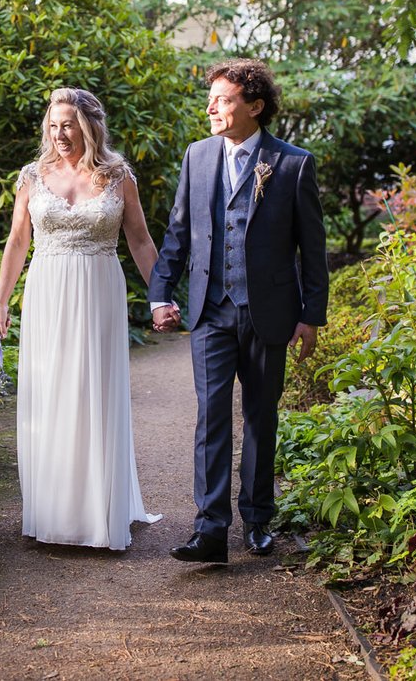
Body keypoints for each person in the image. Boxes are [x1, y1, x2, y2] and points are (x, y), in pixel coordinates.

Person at [148, 58, 327, 564]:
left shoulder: (292, 164)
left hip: (270, 311)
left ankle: (257, 520)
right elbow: (178, 233)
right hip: (210, 310)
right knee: (210, 418)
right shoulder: (198, 156)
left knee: (260, 418)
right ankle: (209, 529)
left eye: (223, 99)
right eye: (212, 98)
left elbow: (312, 250)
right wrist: (161, 293)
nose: (211, 108)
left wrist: (311, 315)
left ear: (255, 105)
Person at [0, 88, 164, 550]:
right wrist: (2, 301)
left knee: (93, 393)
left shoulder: (118, 176)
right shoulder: (33, 175)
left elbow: (141, 242)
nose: (59, 133)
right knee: (51, 395)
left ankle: (96, 512)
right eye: (52, 125)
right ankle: (53, 509)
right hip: (47, 293)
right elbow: (17, 241)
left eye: (67, 124)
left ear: (89, 126)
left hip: (98, 292)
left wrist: (160, 297)